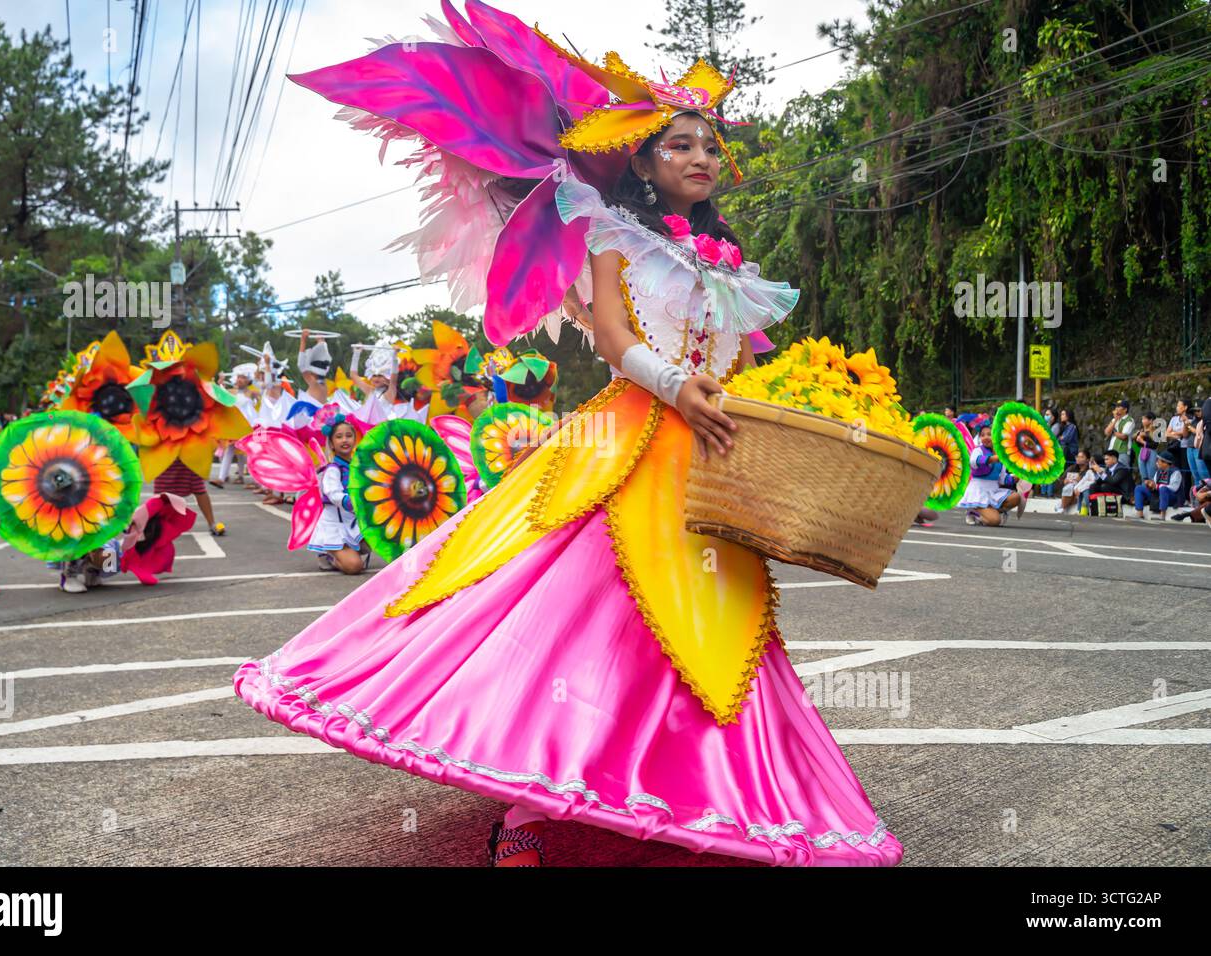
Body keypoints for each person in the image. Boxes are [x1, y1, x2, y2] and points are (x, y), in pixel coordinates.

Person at [234, 18, 899, 868]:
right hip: (625, 445)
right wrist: (676, 389)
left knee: (707, 629)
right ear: (646, 163)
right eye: (679, 145)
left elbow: (735, 368)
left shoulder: (731, 266)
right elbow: (620, 342)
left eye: (708, 147)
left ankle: (689, 791)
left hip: (711, 456)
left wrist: (806, 407)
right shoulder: (615, 237)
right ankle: (530, 810)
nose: (699, 157)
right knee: (577, 626)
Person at [307, 413, 370, 574]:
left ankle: (350, 550)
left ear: (355, 440)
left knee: (384, 538)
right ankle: (329, 556)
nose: (345, 440)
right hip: (335, 525)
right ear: (332, 444)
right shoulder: (333, 469)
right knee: (355, 567)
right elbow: (333, 493)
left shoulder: (358, 466)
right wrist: (352, 501)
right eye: (339, 437)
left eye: (349, 436)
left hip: (353, 522)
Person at [960, 424, 1023, 525]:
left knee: (1016, 497)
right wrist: (993, 459)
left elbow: (1002, 479)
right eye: (982, 435)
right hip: (979, 492)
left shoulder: (1000, 454)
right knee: (995, 521)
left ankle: (992, 512)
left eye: (989, 434)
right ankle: (974, 512)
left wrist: (1015, 478)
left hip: (993, 491)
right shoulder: (978, 450)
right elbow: (973, 461)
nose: (985, 437)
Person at [1131, 450, 1183, 520]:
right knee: (1139, 488)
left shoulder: (1176, 472)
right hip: (1158, 495)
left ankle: (1162, 514)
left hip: (1171, 497)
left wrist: (1157, 486)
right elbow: (1155, 484)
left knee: (1163, 489)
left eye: (1159, 461)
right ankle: (1139, 513)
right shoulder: (1159, 471)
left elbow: (1174, 488)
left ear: (1166, 463)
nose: (1157, 463)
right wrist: (1150, 484)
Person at [1103, 399, 1136, 469]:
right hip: (1111, 450)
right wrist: (1115, 420)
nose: (1116, 409)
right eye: (1116, 407)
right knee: (1109, 472)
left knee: (1122, 472)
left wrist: (1113, 432)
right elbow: (1106, 432)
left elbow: (1123, 436)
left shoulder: (1129, 420)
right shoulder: (1114, 419)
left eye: (1118, 407)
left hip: (1122, 451)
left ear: (1125, 410)